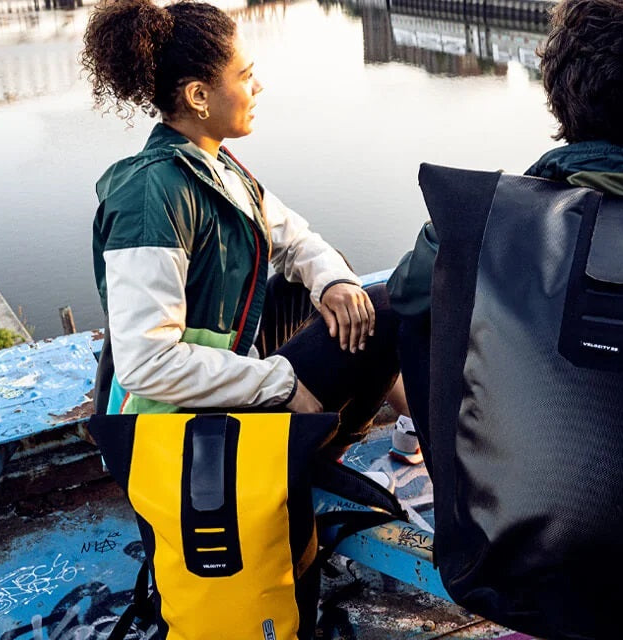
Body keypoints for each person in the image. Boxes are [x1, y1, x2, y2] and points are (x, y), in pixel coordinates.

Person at [388, 0, 623, 441]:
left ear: (562, 101)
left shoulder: (482, 223)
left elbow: (404, 293)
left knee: (403, 305)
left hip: (501, 502)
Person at [82, 0, 401, 451]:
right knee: (385, 312)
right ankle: (322, 455)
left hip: (222, 372)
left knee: (333, 289)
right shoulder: (151, 197)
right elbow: (147, 363)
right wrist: (280, 383)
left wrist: (334, 283)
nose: (259, 87)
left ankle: (372, 424)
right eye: (245, 76)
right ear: (198, 96)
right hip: (172, 430)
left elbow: (296, 241)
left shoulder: (217, 168)